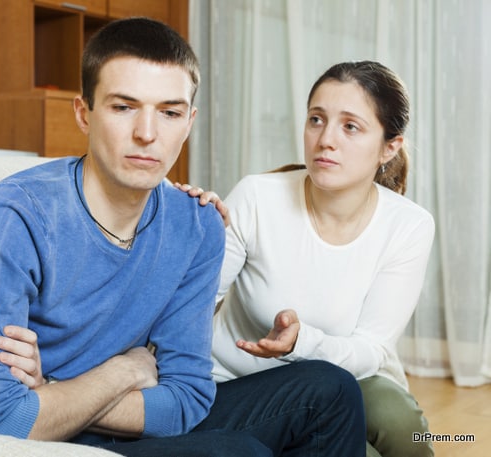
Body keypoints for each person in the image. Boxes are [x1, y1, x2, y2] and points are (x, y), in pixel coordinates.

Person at [0, 18, 365, 457]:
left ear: (189, 121)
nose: (147, 133)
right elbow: (1, 420)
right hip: (28, 445)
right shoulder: (13, 216)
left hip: (97, 419)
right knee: (239, 454)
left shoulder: (198, 225)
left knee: (330, 391)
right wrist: (124, 371)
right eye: (123, 107)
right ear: (84, 114)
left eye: (169, 112)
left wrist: (52, 392)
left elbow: (186, 400)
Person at [180, 61, 435, 457]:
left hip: (345, 373)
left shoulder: (409, 225)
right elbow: (194, 302)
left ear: (390, 147)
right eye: (317, 119)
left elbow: (371, 349)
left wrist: (303, 342)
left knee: (403, 426)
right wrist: (187, 238)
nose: (325, 140)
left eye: (350, 126)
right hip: (234, 378)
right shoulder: (257, 197)